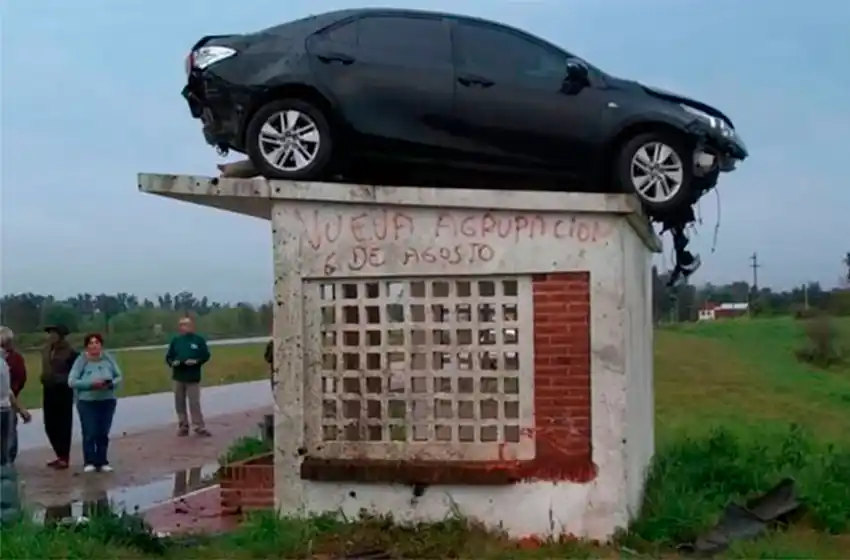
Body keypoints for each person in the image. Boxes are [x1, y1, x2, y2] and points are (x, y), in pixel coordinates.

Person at [68, 333, 122, 473]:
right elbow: (72, 381)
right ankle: (89, 461)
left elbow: (119, 376)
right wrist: (91, 384)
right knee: (90, 431)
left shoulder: (108, 358)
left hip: (107, 399)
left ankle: (102, 460)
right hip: (87, 401)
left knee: (103, 432)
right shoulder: (81, 361)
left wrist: (111, 384)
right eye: (91, 343)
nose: (94, 345)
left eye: (97, 342)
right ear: (86, 346)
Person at [165, 317, 211, 437]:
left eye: (188, 324)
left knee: (194, 402)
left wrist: (196, 361)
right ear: (180, 327)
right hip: (179, 375)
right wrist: (172, 362)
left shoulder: (198, 340)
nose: (186, 327)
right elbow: (169, 357)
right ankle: (183, 425)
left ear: (192, 326)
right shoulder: (176, 340)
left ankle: (199, 426)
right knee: (179, 402)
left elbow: (205, 355)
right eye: (183, 325)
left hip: (193, 376)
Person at [41, 324, 79, 469]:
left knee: (63, 424)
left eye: (53, 333)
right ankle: (58, 454)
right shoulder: (47, 350)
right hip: (48, 390)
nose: (50, 336)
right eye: (49, 333)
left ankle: (64, 457)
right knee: (49, 424)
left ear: (61, 336)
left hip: (63, 392)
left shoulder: (70, 353)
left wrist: (60, 379)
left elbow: (74, 373)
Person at [1, 344, 32, 466]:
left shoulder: (5, 363)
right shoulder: (4, 364)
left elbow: (8, 390)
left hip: (5, 407)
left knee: (6, 441)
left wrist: (20, 409)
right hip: (6, 406)